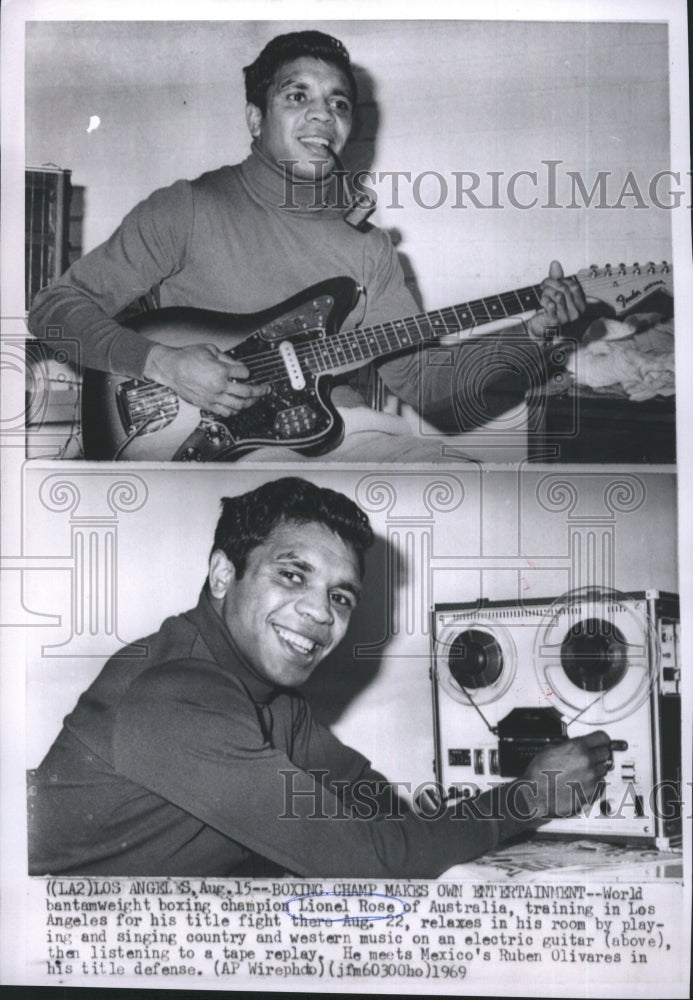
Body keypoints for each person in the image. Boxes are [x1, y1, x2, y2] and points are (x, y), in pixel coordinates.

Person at [27, 31, 586, 461]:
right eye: (299, 96)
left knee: (462, 480)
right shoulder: (188, 207)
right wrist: (162, 362)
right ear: (255, 117)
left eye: (339, 103)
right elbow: (53, 311)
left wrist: (531, 335)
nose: (323, 113)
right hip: (192, 442)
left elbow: (426, 386)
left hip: (321, 435)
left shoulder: (367, 250)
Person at [28, 477, 620, 877]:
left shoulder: (265, 693)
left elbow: (370, 801)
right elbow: (370, 861)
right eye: (292, 576)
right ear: (221, 574)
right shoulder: (176, 695)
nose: (320, 612)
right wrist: (528, 797)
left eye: (340, 596)